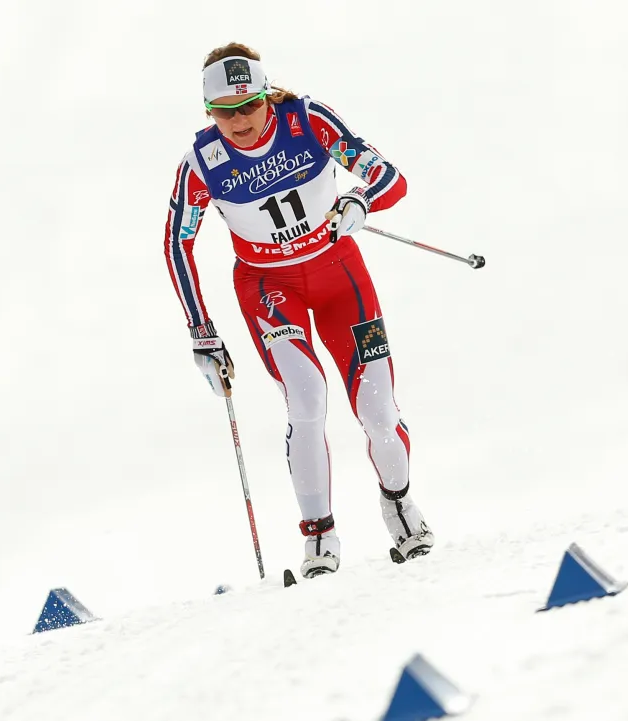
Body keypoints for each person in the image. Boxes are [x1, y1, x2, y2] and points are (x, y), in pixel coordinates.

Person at [164, 42, 434, 578]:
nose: (239, 122)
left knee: (377, 407)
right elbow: (178, 241)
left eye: (249, 106)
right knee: (306, 398)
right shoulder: (201, 163)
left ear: (267, 97)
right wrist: (202, 331)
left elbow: (390, 177)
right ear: (208, 112)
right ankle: (319, 538)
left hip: (339, 275)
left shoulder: (306, 121)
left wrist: (358, 201)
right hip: (269, 286)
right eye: (224, 112)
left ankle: (399, 504)